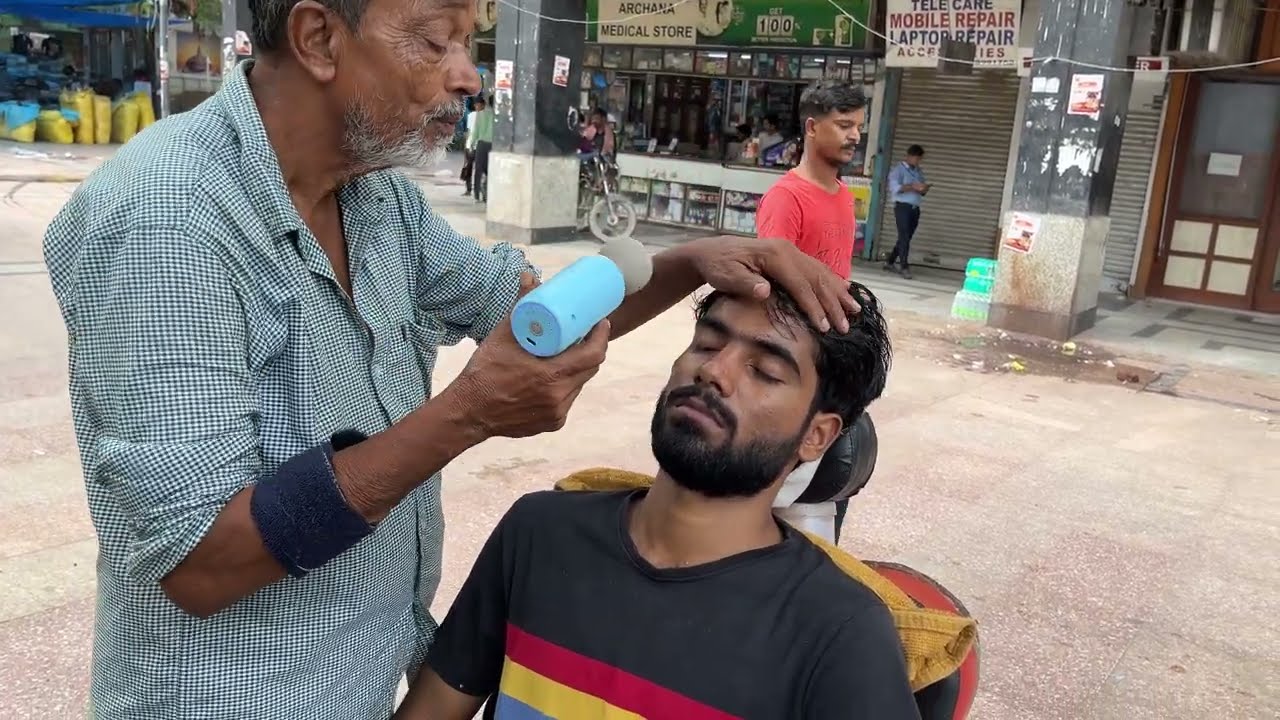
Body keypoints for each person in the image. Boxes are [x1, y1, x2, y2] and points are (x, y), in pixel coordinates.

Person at [41, 0, 859, 715]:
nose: (469, 77)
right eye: (437, 42)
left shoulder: (374, 195)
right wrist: (465, 415)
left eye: (470, 43)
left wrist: (695, 259)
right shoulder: (168, 223)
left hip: (361, 686)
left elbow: (534, 311)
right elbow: (200, 562)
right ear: (320, 38)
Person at [394, 280, 913, 720]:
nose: (714, 371)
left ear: (817, 436)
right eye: (708, 344)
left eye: (765, 371)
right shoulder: (540, 534)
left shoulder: (840, 632)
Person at [754, 80, 867, 543]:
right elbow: (770, 289)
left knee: (827, 493)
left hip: (832, 355)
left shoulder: (842, 196)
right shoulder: (787, 198)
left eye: (859, 126)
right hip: (797, 358)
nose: (855, 135)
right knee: (783, 498)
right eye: (844, 125)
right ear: (812, 127)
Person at [885, 144, 929, 280]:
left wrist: (923, 189)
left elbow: (922, 191)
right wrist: (912, 186)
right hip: (902, 207)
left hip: (915, 209)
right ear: (910, 156)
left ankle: (890, 261)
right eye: (916, 158)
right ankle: (904, 267)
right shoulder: (898, 170)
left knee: (906, 237)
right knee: (904, 236)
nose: (918, 162)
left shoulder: (918, 172)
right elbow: (895, 188)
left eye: (920, 159)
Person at [470, 94, 495, 203]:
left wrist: (472, 143)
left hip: (481, 144)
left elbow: (475, 131)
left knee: (478, 170)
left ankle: (476, 194)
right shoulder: (497, 116)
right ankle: (487, 194)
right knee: (490, 170)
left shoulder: (480, 115)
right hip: (492, 145)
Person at [461, 95, 480, 196]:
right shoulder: (472, 115)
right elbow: (468, 131)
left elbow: (470, 131)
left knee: (473, 168)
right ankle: (471, 189)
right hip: (473, 145)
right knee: (472, 168)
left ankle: (473, 190)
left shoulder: (475, 116)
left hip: (474, 145)